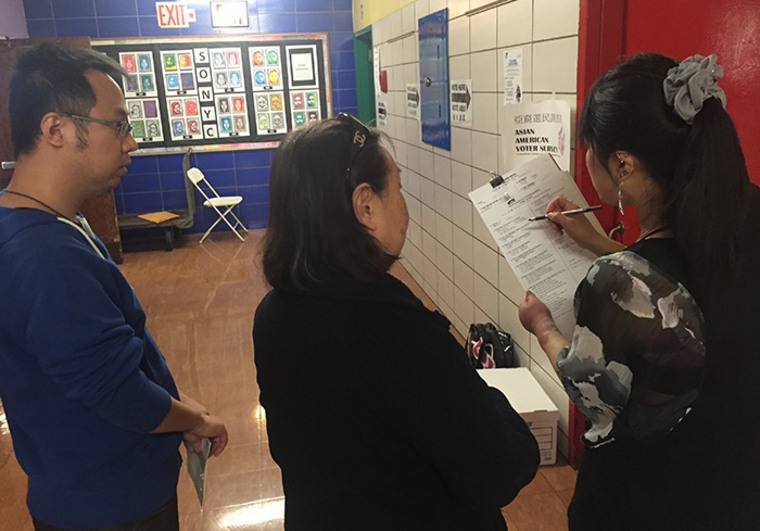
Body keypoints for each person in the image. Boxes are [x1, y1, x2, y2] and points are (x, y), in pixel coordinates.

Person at [253, 114, 540, 530]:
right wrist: (493, 403)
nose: (405, 206)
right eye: (399, 189)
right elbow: (499, 470)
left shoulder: (273, 314)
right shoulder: (399, 334)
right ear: (366, 206)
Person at [518, 53, 760, 530]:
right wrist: (599, 243)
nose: (586, 160)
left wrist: (543, 327)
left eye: (590, 148)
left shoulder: (615, 283)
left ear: (622, 163)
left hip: (647, 499)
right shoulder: (746, 211)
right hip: (735, 483)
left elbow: (593, 394)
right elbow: (681, 281)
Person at [0, 42, 228, 530]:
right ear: (55, 128)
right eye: (119, 125)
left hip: (85, 489)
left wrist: (176, 405)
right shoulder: (45, 257)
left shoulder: (41, 220)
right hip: (110, 505)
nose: (131, 143)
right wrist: (191, 419)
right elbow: (117, 393)